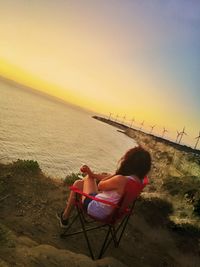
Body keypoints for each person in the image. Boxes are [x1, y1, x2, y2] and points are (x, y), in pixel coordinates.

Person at [57, 146, 151, 228]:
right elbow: (115, 182)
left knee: (81, 182)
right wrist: (93, 173)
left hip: (96, 209)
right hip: (112, 215)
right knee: (82, 182)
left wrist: (93, 174)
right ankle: (65, 217)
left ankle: (65, 218)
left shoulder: (121, 179)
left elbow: (100, 185)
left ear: (128, 162)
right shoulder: (139, 183)